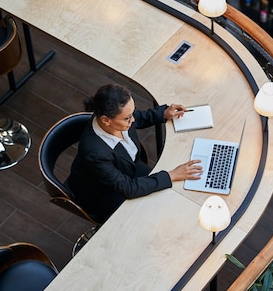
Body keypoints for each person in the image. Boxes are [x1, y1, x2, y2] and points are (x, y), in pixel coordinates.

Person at [68, 84, 203, 223]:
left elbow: (138, 117)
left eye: (132, 113)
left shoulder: (114, 119)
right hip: (104, 192)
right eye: (127, 118)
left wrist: (163, 113)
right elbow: (129, 188)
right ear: (106, 120)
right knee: (151, 214)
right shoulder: (95, 153)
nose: (132, 120)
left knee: (171, 192)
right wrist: (172, 175)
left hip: (128, 169)